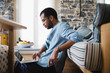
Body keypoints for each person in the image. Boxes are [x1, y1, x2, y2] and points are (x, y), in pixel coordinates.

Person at [14, 7, 83, 73]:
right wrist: (39, 52)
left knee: (17, 66)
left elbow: (77, 37)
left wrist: (57, 49)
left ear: (51, 18)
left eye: (43, 20)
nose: (43, 24)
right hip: (42, 63)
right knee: (17, 64)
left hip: (49, 67)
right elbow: (47, 43)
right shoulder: (54, 29)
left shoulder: (61, 26)